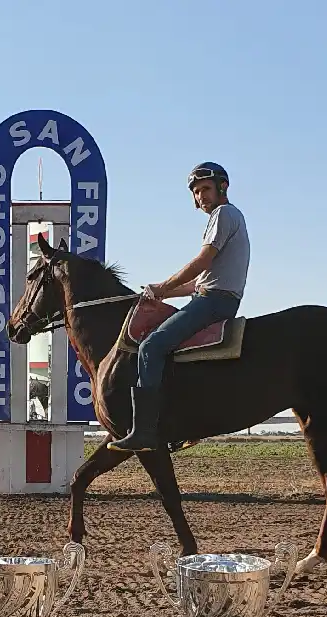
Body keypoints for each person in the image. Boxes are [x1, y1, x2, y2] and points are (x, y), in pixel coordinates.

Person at [108, 162, 250, 452]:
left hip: (213, 302)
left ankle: (145, 430)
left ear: (222, 187)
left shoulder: (224, 214)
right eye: (196, 192)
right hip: (209, 296)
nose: (201, 196)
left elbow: (201, 263)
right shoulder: (229, 217)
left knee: (150, 347)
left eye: (206, 189)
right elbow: (199, 282)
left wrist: (162, 288)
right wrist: (162, 294)